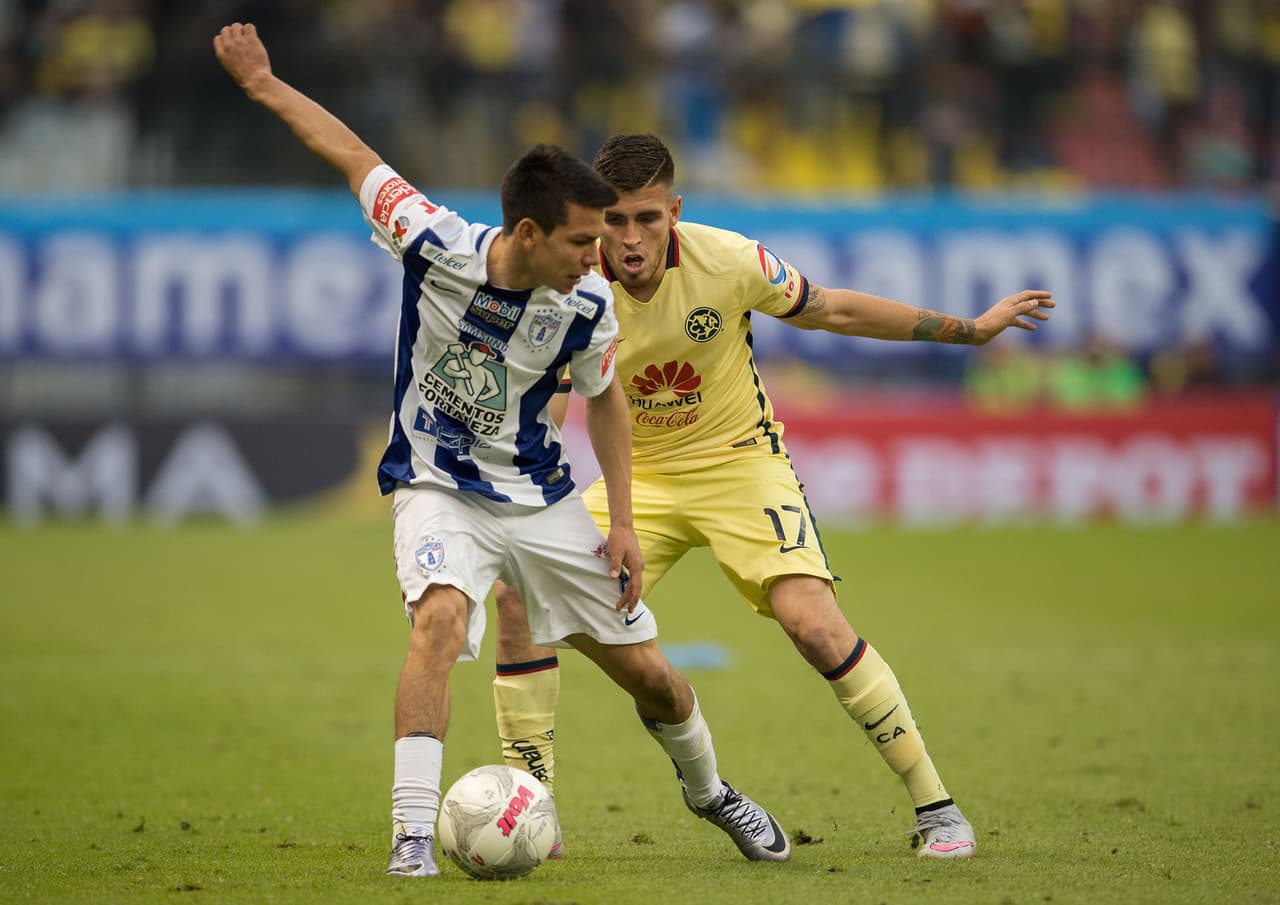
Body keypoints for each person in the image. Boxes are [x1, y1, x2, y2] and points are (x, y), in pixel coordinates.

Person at [213, 28, 791, 878]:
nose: (600, 258)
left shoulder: (589, 307)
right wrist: (263, 82)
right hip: (436, 483)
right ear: (527, 231)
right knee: (440, 618)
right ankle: (412, 837)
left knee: (654, 679)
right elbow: (348, 150)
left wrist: (621, 520)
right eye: (581, 242)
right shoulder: (434, 240)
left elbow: (604, 400)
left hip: (541, 497)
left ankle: (710, 791)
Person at [492, 132, 1056, 859]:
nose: (631, 240)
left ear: (676, 212)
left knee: (815, 625)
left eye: (649, 219)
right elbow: (557, 403)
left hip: (739, 465)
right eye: (617, 222)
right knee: (518, 597)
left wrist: (969, 331)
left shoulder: (729, 260)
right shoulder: (569, 284)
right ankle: (531, 812)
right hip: (640, 478)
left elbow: (834, 310)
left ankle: (937, 807)